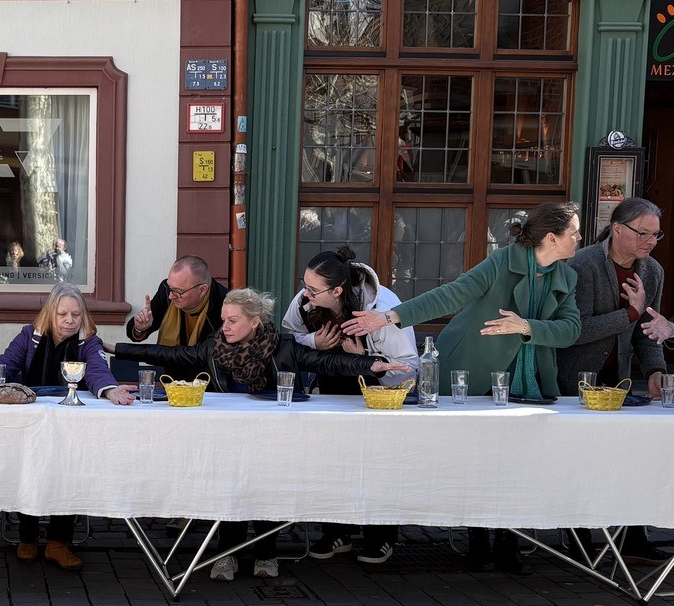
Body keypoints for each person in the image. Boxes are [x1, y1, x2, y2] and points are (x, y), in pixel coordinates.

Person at [341, 201, 583, 575]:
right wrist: (389, 317)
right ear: (552, 238)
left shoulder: (566, 278)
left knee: (517, 462)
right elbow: (451, 294)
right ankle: (478, 540)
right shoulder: (502, 263)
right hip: (470, 369)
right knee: (478, 457)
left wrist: (528, 326)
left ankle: (508, 539)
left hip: (528, 380)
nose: (580, 238)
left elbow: (571, 330)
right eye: (574, 232)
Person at [109, 288, 408, 581]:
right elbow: (172, 354)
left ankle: (266, 552)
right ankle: (225, 553)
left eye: (232, 320)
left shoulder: (284, 347)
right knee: (230, 483)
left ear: (254, 323)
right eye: (224, 319)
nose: (224, 326)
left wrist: (374, 365)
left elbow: (328, 362)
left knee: (268, 481)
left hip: (277, 437)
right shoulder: (214, 347)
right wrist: (117, 348)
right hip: (230, 436)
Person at [0, 283, 136, 572]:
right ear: (50, 314)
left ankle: (58, 543)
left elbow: (96, 369)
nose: (70, 320)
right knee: (27, 469)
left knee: (66, 472)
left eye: (76, 314)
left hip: (70, 422)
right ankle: (26, 537)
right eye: (63, 314)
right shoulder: (29, 335)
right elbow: (5, 362)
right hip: (31, 419)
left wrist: (111, 390)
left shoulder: (88, 340)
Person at [282, 247, 419, 565]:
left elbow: (408, 367)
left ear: (337, 290)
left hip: (379, 393)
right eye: (304, 284)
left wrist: (363, 360)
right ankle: (335, 532)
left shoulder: (384, 307)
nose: (305, 293)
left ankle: (381, 537)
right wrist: (314, 343)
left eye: (313, 289)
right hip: (329, 386)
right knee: (331, 460)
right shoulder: (306, 301)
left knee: (377, 463)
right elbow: (289, 338)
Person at [555, 198, 671, 566]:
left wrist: (654, 371)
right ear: (617, 229)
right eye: (643, 233)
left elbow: (645, 332)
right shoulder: (582, 264)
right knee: (578, 461)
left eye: (656, 235)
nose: (650, 242)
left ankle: (633, 537)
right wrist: (629, 314)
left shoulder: (652, 272)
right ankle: (578, 536)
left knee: (626, 459)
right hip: (572, 378)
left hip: (619, 381)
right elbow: (575, 330)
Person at [126, 255, 229, 380]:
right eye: (170, 288)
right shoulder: (166, 291)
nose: (171, 296)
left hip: (209, 381)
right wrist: (139, 328)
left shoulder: (223, 305)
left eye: (178, 291)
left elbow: (206, 355)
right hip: (173, 379)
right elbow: (134, 334)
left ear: (202, 290)